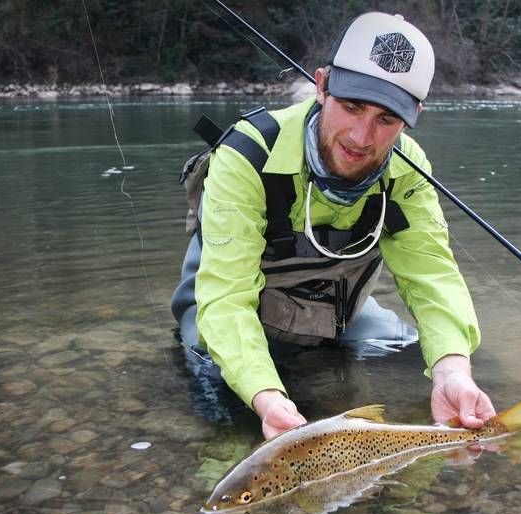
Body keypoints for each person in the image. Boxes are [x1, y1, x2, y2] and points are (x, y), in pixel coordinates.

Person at [171, 12, 495, 439]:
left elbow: (431, 276)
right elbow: (227, 296)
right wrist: (266, 396)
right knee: (230, 420)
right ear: (322, 85)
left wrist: (453, 370)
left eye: (386, 120)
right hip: (233, 315)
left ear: (413, 114)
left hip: (338, 320)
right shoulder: (247, 155)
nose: (362, 137)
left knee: (462, 364)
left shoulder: (408, 169)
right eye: (352, 106)